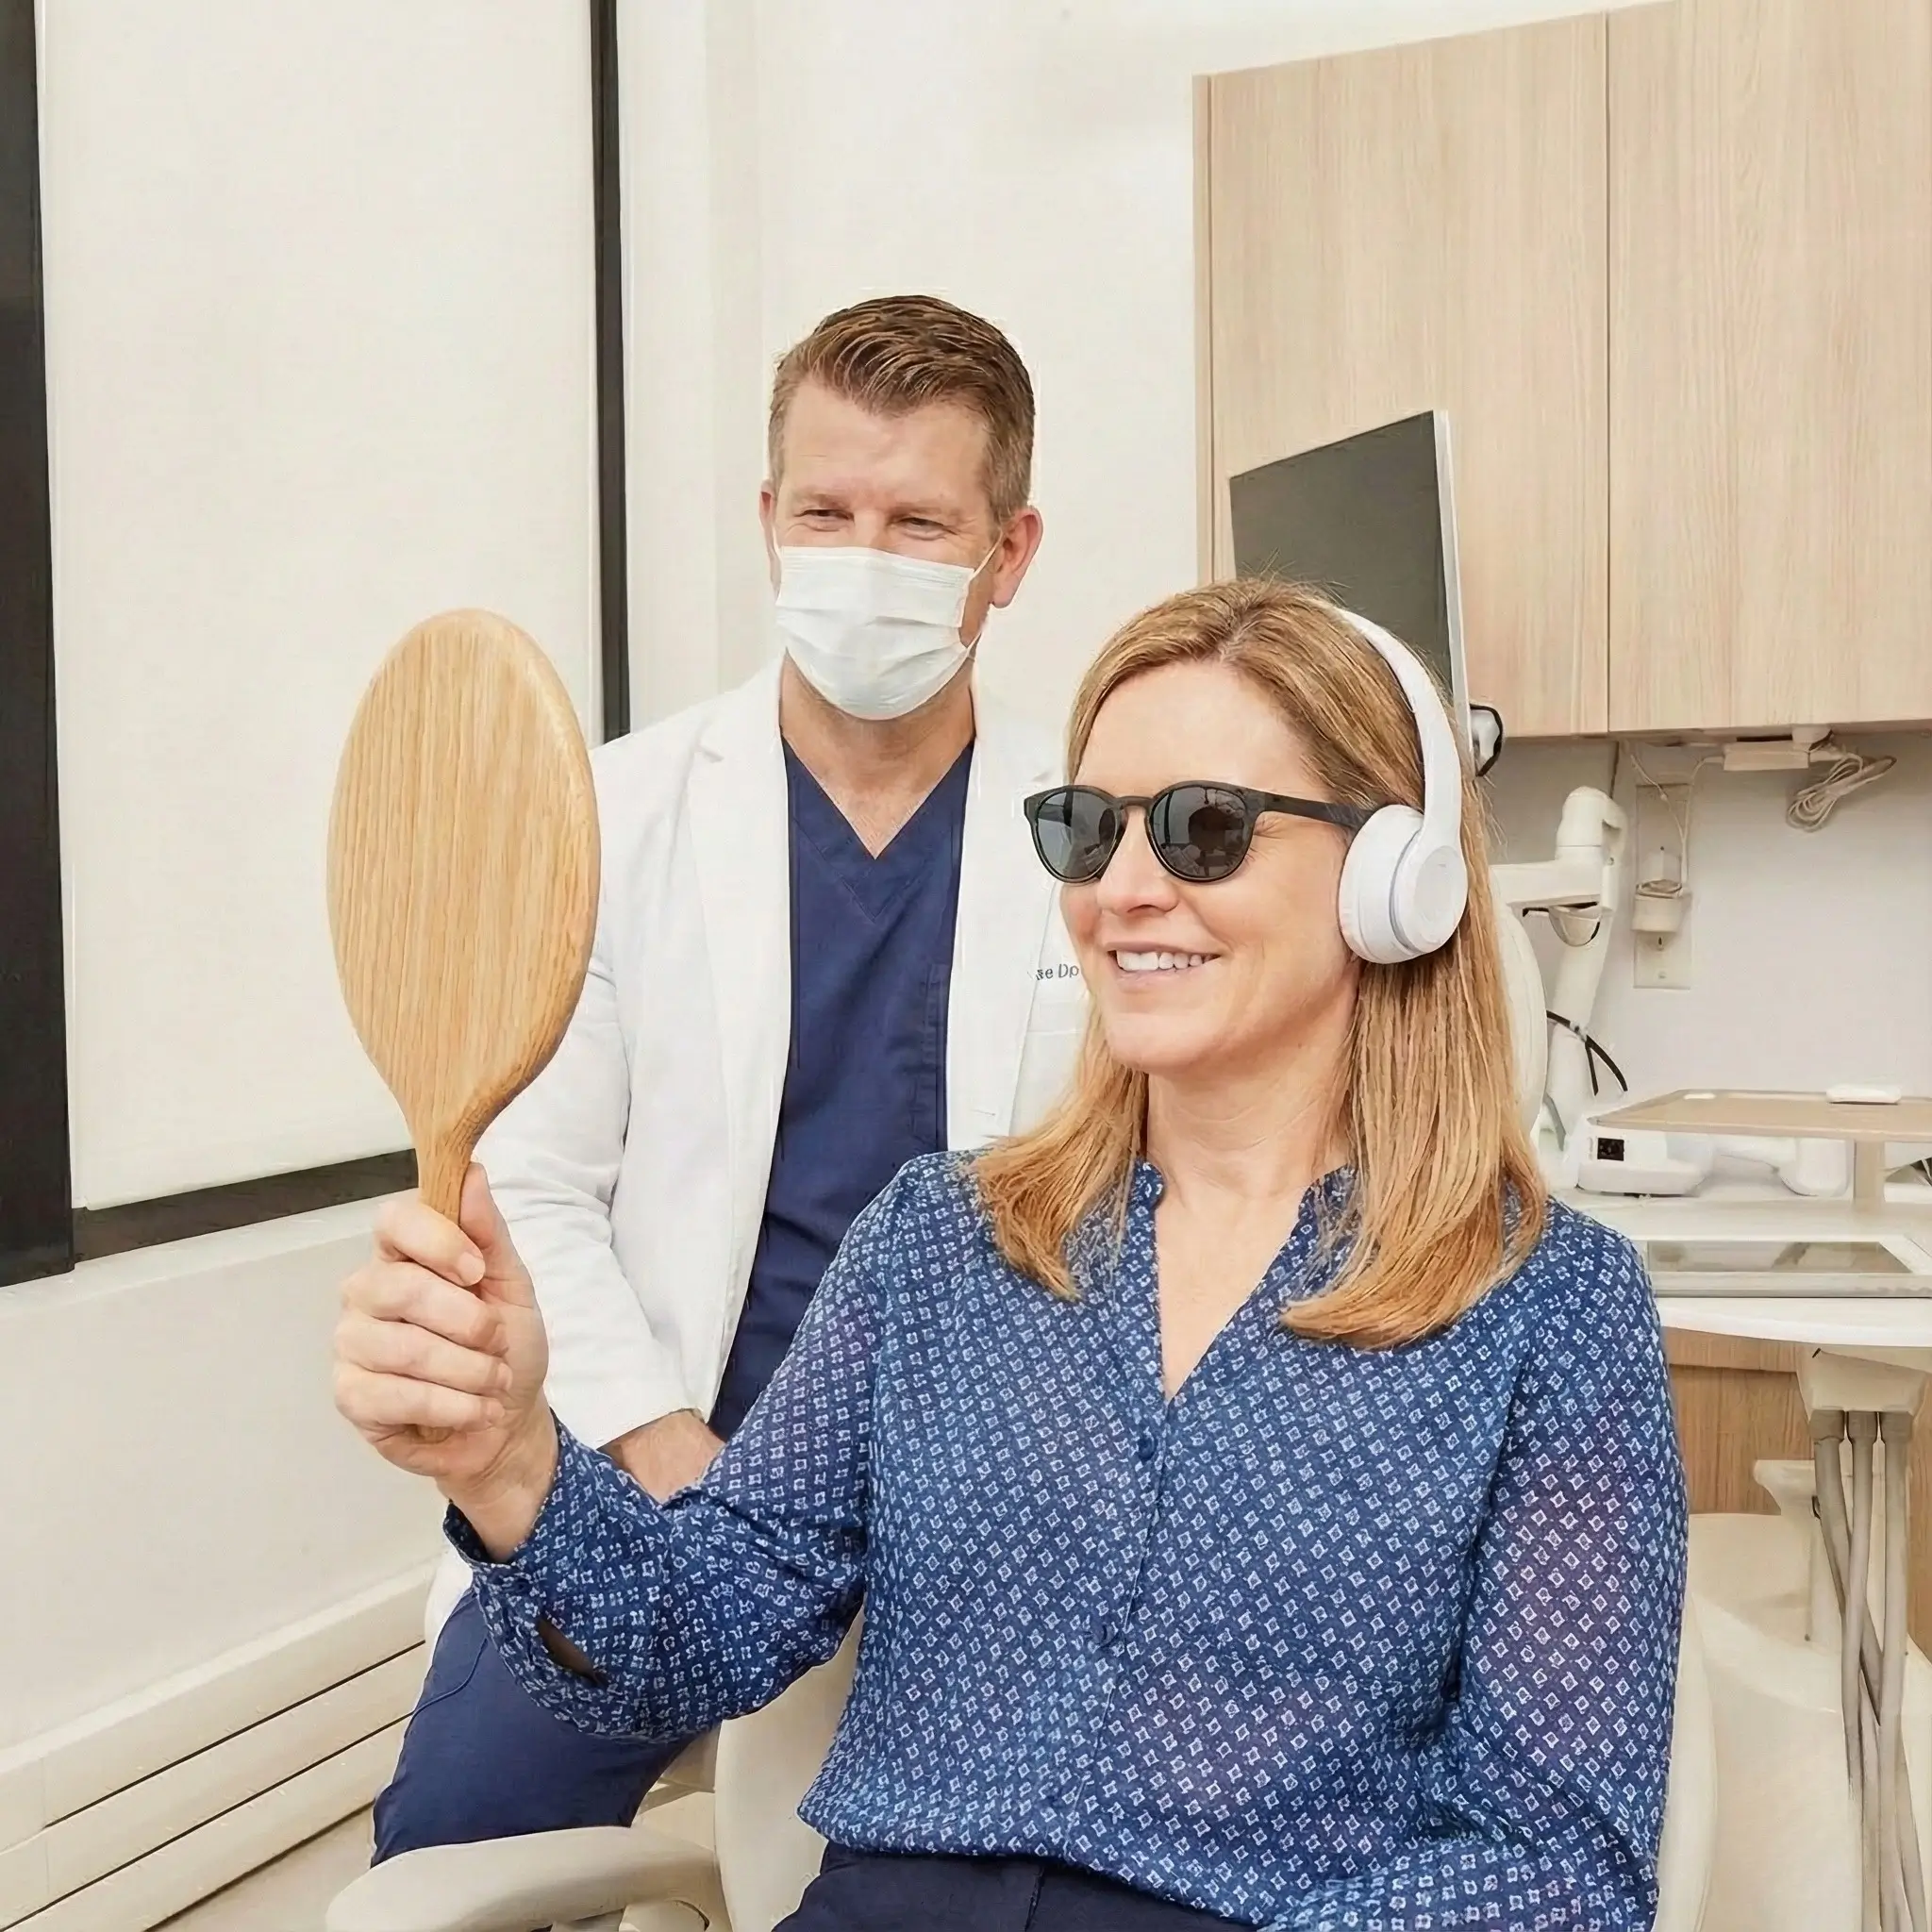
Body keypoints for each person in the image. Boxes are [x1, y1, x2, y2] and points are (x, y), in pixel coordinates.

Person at [337, 579, 1689, 1929]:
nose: (1127, 890)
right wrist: (509, 1458)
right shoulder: (938, 1243)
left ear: (1398, 880)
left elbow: (1550, 1865)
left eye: (1206, 830)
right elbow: (700, 1635)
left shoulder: (1550, 1309)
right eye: (1089, 830)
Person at [364, 295, 1089, 1859]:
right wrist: (658, 1446)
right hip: (644, 1456)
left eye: (918, 523)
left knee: (971, 1869)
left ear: (1008, 554)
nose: (861, 554)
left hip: (984, 1507)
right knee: (459, 1845)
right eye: (826, 512)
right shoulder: (613, 816)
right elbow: (536, 1186)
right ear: (768, 523)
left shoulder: (1094, 838)